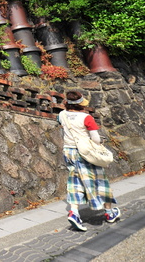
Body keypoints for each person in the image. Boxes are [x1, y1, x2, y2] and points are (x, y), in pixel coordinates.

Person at [59, 91, 120, 231]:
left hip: (69, 152)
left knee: (75, 182)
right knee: (99, 180)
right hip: (85, 153)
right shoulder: (87, 118)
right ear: (80, 104)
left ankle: (74, 213)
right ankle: (110, 213)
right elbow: (96, 139)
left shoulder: (62, 115)